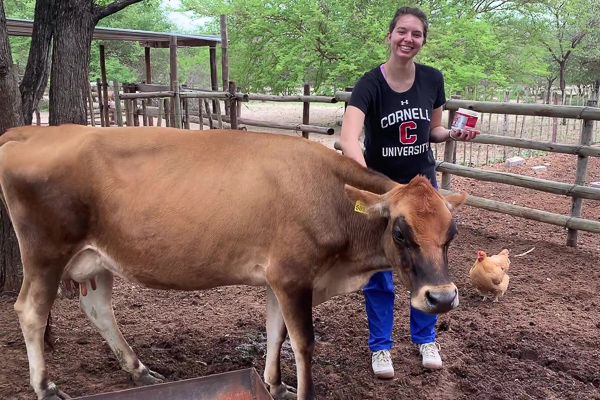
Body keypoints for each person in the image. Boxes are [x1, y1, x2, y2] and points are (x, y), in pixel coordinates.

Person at [339, 6, 480, 379]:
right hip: (387, 192)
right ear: (389, 35)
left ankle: (425, 338)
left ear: (422, 41)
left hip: (423, 192)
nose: (408, 39)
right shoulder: (369, 83)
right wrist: (371, 182)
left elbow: (431, 130)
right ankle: (381, 347)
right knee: (382, 273)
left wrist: (450, 134)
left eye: (416, 34)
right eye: (402, 31)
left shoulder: (433, 79)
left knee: (430, 263)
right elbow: (348, 138)